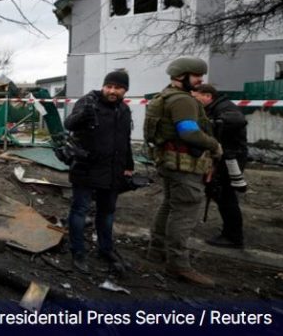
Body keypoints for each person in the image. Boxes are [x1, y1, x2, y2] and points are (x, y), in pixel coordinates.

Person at [144, 57, 223, 287]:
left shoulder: (165, 96)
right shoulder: (182, 101)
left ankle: (156, 251)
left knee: (169, 205)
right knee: (185, 212)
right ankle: (178, 264)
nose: (200, 80)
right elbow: (188, 132)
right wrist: (214, 146)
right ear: (181, 76)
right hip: (184, 166)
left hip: (169, 162)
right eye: (196, 75)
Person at [63, 70, 134, 275]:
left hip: (113, 170)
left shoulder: (124, 109)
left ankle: (106, 249)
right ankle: (78, 252)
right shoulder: (88, 102)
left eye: (117, 87)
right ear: (103, 86)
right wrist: (81, 116)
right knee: (80, 210)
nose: (112, 91)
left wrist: (128, 166)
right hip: (86, 168)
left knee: (107, 213)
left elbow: (125, 140)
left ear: (125, 90)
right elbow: (69, 124)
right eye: (109, 86)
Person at [192, 84, 248, 249]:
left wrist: (212, 124)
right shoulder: (215, 106)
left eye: (196, 97)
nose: (195, 101)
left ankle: (233, 237)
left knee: (225, 195)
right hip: (224, 157)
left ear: (208, 96)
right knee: (218, 193)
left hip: (231, 158)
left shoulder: (224, 108)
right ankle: (231, 231)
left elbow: (238, 119)